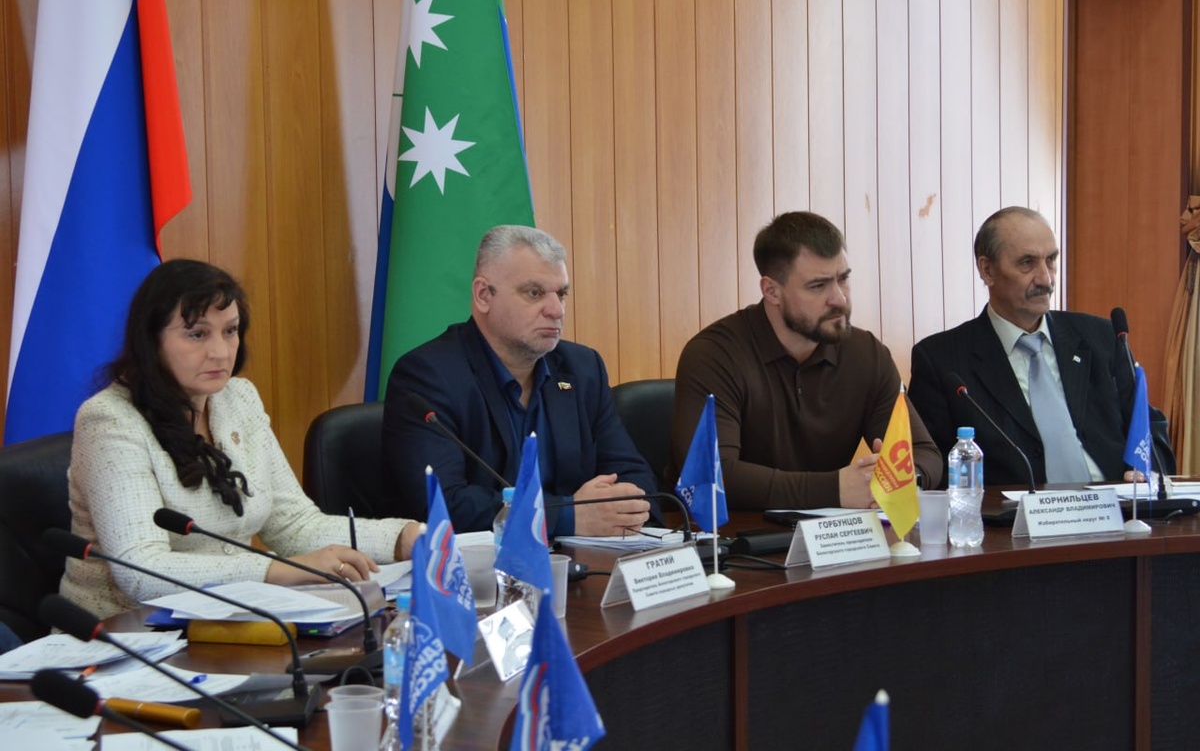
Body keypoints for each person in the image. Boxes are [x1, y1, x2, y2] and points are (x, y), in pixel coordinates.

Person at [59, 260, 422, 620]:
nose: (220, 352)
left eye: (230, 331)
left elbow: (295, 526)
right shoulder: (110, 420)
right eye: (197, 334)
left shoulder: (238, 399)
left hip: (225, 623)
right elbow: (140, 571)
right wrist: (276, 571)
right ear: (151, 341)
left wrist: (403, 537)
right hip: (125, 634)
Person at [381, 225, 658, 536]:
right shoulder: (428, 375)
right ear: (483, 295)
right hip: (477, 564)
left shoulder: (582, 369)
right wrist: (567, 516)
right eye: (534, 293)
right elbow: (443, 504)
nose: (556, 310)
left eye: (561, 294)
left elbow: (636, 477)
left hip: (581, 557)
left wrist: (620, 508)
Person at [669, 211, 942, 510]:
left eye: (843, 279)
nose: (839, 299)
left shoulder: (866, 353)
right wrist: (834, 489)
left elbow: (923, 453)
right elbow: (711, 477)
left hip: (835, 533)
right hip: (734, 532)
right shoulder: (714, 355)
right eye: (818, 286)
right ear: (771, 291)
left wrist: (899, 481)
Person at [908, 206, 1175, 488]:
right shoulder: (942, 360)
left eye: (1051, 260)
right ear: (987, 270)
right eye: (1027, 263)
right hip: (1014, 513)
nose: (1046, 279)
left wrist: (1144, 471)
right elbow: (932, 463)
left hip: (1116, 505)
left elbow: (1149, 427)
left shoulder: (1102, 337)